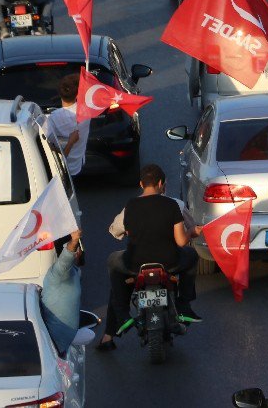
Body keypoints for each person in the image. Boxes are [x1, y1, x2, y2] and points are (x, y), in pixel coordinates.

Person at [98, 165, 203, 350]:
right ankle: (184, 304)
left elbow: (118, 231)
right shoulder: (172, 204)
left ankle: (122, 315)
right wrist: (192, 232)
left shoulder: (130, 206)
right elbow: (180, 241)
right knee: (192, 256)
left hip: (136, 264)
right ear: (161, 183)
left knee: (113, 262)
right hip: (170, 263)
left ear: (140, 184)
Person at [41, 229, 83, 356]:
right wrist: (74, 241)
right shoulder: (59, 273)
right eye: (80, 248)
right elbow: (65, 260)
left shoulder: (73, 271)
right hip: (57, 351)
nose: (82, 251)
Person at [43, 74, 89, 178]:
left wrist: (70, 143)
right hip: (78, 165)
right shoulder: (87, 111)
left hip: (62, 170)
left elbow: (46, 146)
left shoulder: (53, 119)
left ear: (60, 93)